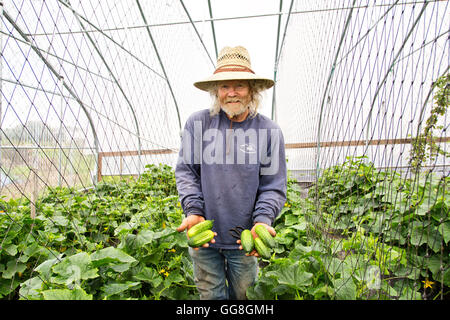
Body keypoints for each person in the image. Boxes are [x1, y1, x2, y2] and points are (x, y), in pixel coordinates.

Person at [175, 46, 287, 300]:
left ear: (252, 90)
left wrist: (263, 220)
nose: (232, 93)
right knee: (211, 297)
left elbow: (273, 185)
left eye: (239, 85)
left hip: (244, 240)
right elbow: (187, 172)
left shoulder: (269, 131)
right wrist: (193, 210)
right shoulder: (198, 124)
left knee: (244, 296)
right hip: (204, 237)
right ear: (216, 91)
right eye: (225, 86)